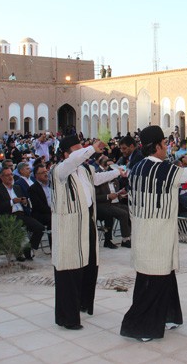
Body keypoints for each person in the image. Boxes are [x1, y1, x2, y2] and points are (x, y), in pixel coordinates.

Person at [120, 125, 187, 342]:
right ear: (156, 146)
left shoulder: (135, 168)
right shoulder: (165, 169)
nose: (167, 147)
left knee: (163, 276)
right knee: (153, 280)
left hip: (143, 229)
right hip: (157, 233)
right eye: (164, 144)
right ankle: (140, 326)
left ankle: (168, 316)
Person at [50, 135, 122, 330]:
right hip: (69, 227)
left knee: (89, 265)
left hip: (86, 223)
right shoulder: (60, 170)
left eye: (82, 149)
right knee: (70, 269)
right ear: (66, 154)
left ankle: (83, 303)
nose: (82, 153)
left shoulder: (85, 169)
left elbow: (98, 178)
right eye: (77, 149)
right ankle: (68, 317)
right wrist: (91, 148)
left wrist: (117, 172)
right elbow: (74, 160)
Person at [0, 167, 46, 259]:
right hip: (9, 216)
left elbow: (26, 203)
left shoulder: (17, 187)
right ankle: (18, 252)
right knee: (16, 228)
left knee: (39, 228)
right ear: (2, 177)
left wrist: (24, 202)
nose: (10, 177)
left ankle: (28, 248)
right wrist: (12, 202)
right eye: (7, 175)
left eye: (11, 174)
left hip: (22, 214)